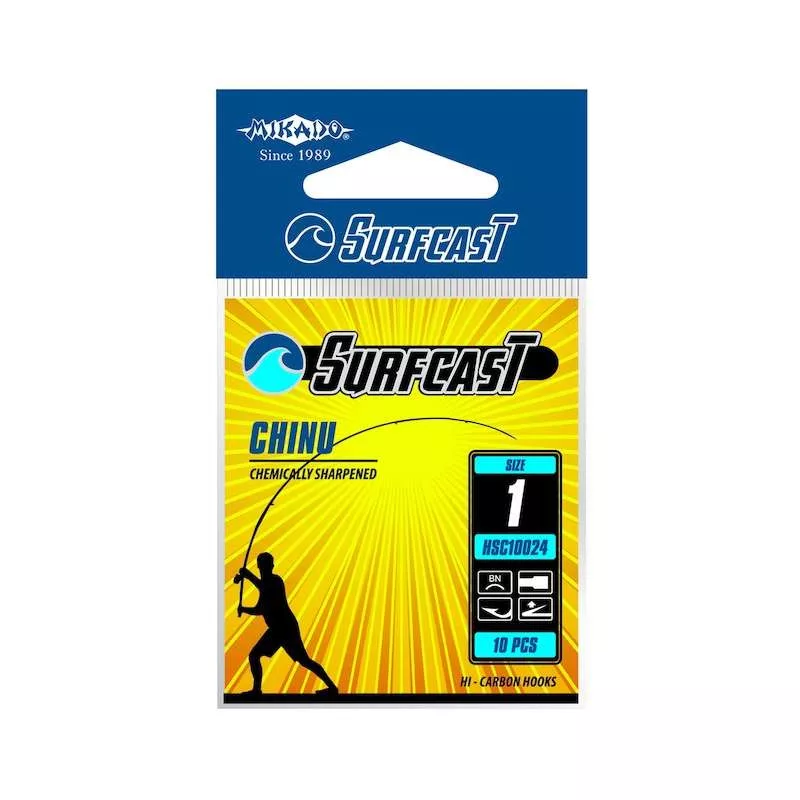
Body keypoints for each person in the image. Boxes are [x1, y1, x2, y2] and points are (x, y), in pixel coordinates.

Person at [235, 552, 338, 695]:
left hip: (285, 628)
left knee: (304, 660)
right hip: (278, 629)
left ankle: (332, 688)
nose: (264, 568)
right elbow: (260, 605)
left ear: (271, 566)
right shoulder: (266, 585)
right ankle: (256, 689)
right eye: (263, 565)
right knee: (255, 655)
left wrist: (248, 576)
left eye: (266, 565)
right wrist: (244, 606)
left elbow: (262, 602)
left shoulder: (275, 582)